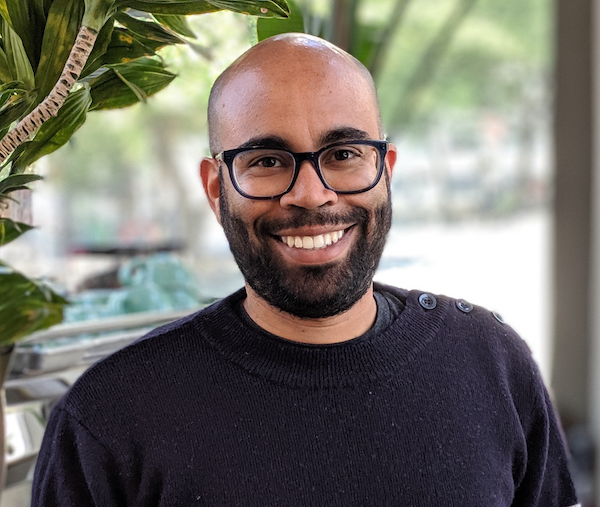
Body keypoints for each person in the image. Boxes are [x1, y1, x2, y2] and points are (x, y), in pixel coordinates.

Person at [32, 33, 579, 506]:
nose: (312, 195)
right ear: (216, 189)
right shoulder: (112, 415)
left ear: (385, 169)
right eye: (268, 161)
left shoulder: (492, 364)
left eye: (343, 154)